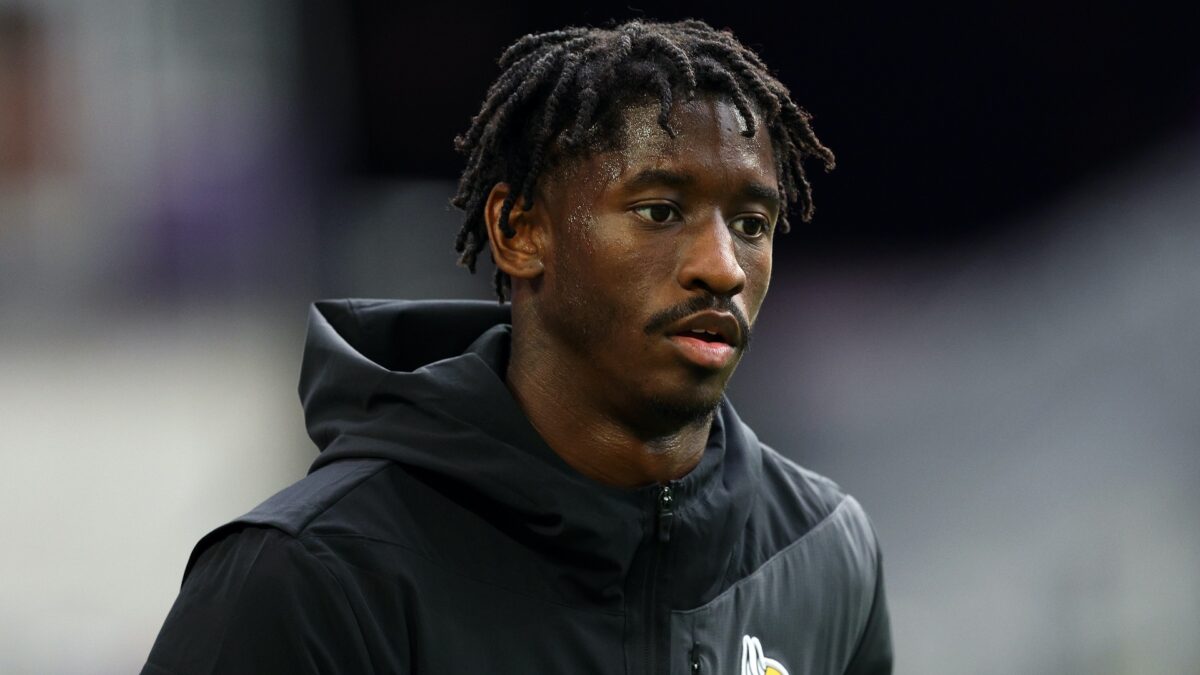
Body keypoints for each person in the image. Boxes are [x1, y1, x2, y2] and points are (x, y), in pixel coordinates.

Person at [142, 19, 892, 675]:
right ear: (519, 231)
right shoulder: (312, 577)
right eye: (661, 211)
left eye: (753, 226)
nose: (723, 267)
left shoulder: (825, 556)